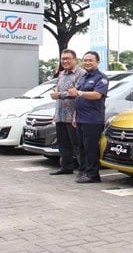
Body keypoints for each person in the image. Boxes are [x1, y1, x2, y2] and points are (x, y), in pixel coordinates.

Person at [67, 51, 109, 183]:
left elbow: (97, 95)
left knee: (91, 148)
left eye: (90, 60)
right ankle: (83, 171)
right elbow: (77, 99)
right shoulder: (83, 77)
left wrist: (78, 92)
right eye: (85, 60)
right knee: (81, 147)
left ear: (97, 62)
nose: (87, 63)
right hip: (80, 118)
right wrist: (74, 115)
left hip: (93, 119)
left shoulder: (101, 78)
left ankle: (93, 175)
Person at [49, 49, 86, 175]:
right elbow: (58, 91)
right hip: (60, 114)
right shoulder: (61, 74)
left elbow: (77, 93)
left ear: (75, 59)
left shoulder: (81, 74)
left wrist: (59, 95)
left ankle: (84, 170)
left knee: (77, 145)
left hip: (74, 116)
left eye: (68, 58)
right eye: (63, 59)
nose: (65, 61)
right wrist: (56, 112)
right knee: (63, 144)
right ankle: (66, 167)